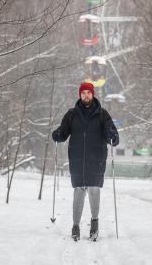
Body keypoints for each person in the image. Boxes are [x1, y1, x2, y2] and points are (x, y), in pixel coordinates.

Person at [52, 82, 119, 241]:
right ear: (80, 95)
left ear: (93, 94)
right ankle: (75, 226)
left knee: (94, 190)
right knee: (79, 191)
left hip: (96, 159)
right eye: (83, 93)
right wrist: (58, 134)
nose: (86, 95)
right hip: (77, 160)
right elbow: (63, 132)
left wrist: (112, 136)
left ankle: (94, 224)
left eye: (89, 92)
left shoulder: (103, 114)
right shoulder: (72, 114)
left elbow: (113, 135)